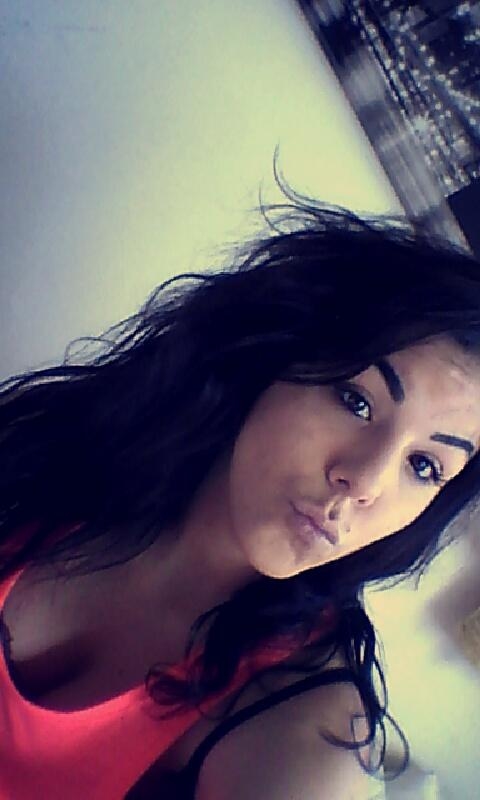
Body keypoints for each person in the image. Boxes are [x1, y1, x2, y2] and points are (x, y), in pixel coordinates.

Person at [1, 174, 480, 799]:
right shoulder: (64, 456)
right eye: (356, 401)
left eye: (424, 467)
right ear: (271, 355)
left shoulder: (301, 719)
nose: (364, 482)